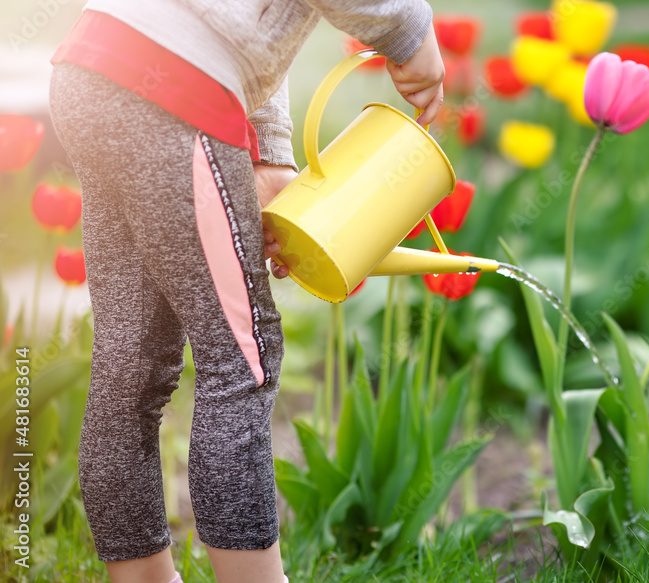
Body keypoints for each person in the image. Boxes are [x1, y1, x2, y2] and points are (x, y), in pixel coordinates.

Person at [47, 1, 444, 582]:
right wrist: (409, 31)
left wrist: (270, 149)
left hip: (93, 66)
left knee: (127, 367)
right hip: (172, 93)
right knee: (239, 360)